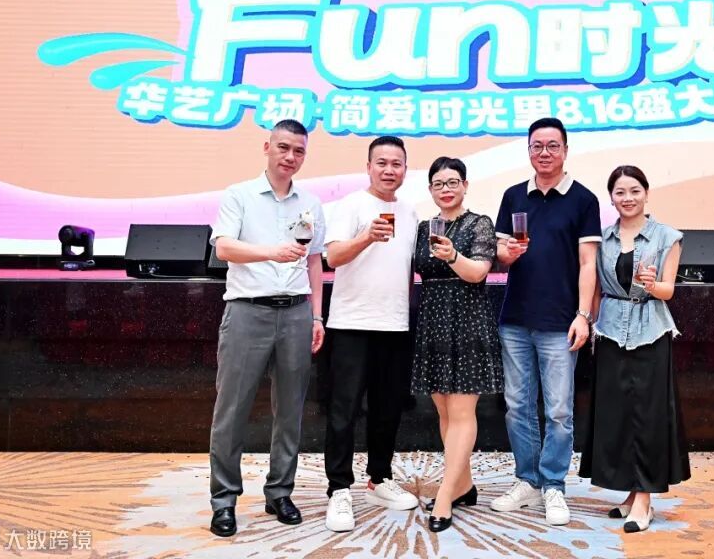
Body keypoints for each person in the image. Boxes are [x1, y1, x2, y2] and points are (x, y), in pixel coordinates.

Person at [207, 119, 326, 537]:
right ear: (267, 147)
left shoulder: (310, 203)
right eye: (283, 147)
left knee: (290, 410)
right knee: (232, 410)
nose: (290, 157)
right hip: (247, 312)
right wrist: (271, 252)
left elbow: (314, 260)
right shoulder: (239, 195)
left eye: (299, 151)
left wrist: (316, 316)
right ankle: (224, 500)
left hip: (296, 313)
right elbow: (224, 247)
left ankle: (279, 492)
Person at [491, 117, 601, 525]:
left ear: (565, 150)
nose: (544, 153)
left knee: (558, 411)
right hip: (516, 318)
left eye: (552, 145)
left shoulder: (583, 199)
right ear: (528, 151)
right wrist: (506, 255)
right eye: (537, 146)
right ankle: (527, 480)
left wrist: (584, 315)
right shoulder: (513, 195)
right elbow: (500, 252)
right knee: (517, 406)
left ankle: (553, 484)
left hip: (560, 321)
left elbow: (588, 263)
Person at [580, 165, 691, 533]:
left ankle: (644, 499)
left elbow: (668, 290)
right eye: (620, 192)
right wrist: (591, 324)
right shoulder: (602, 238)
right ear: (611, 198)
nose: (627, 198)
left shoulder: (667, 236)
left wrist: (651, 283)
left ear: (646, 193)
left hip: (651, 332)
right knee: (619, 415)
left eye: (634, 191)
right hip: (611, 332)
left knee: (647, 417)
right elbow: (597, 288)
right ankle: (631, 492)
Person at [322, 135, 421, 532]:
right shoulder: (351, 205)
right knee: (343, 411)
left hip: (394, 323)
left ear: (405, 170)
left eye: (396, 164)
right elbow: (332, 257)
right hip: (351, 323)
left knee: (388, 408)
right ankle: (338, 489)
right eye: (381, 163)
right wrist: (366, 236)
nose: (388, 170)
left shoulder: (411, 212)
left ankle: (379, 479)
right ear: (368, 167)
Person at [411, 157, 503, 533]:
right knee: (445, 413)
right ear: (430, 190)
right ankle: (464, 485)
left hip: (467, 320)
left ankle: (445, 496)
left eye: (452, 182)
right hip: (433, 321)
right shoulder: (423, 228)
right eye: (438, 184)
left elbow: (478, 272)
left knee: (463, 412)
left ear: (465, 185)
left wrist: (452, 255)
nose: (446, 189)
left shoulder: (480, 223)